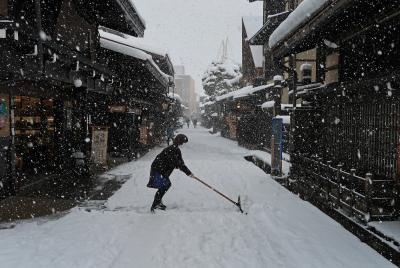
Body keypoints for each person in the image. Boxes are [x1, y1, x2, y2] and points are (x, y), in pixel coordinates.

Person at [147, 134, 194, 212]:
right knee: (165, 185)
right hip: (158, 169)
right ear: (179, 140)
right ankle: (155, 205)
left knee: (164, 185)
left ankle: (158, 203)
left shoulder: (175, 149)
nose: (182, 144)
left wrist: (187, 171)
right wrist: (188, 172)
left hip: (161, 170)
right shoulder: (172, 149)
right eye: (182, 142)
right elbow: (179, 163)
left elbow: (180, 162)